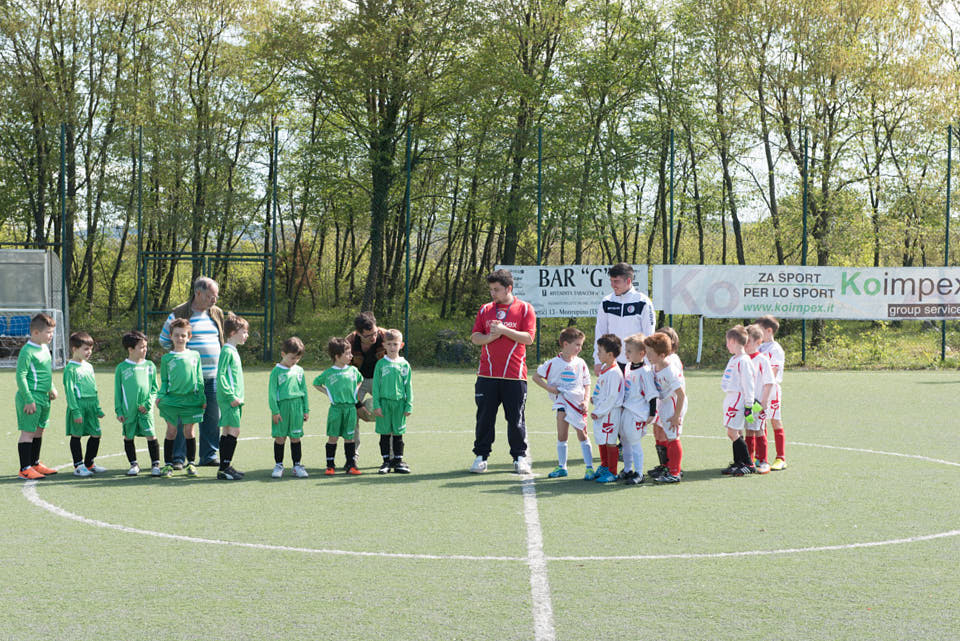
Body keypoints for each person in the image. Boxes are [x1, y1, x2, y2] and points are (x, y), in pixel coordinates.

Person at [469, 269, 536, 475]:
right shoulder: (485, 309)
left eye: (496, 289)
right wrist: (491, 336)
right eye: (490, 289)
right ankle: (481, 457)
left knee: (515, 419)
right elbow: (475, 337)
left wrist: (504, 330)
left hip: (514, 376)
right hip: (486, 375)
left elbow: (528, 338)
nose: (493, 293)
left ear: (509, 288)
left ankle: (519, 457)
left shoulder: (525, 309)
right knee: (484, 418)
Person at [158, 276, 224, 467]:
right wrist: (181, 355)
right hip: (187, 380)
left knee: (212, 417)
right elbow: (164, 340)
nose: (214, 300)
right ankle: (178, 458)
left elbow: (221, 339)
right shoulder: (179, 312)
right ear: (198, 293)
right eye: (211, 296)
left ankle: (209, 455)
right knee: (181, 417)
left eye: (216, 296)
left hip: (213, 376)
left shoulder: (217, 313)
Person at [531, 327, 594, 480]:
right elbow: (536, 377)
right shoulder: (553, 363)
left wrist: (585, 401)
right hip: (562, 402)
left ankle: (589, 468)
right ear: (565, 344)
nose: (580, 348)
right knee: (562, 435)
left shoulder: (581, 363)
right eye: (577, 345)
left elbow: (587, 383)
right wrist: (549, 388)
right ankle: (562, 467)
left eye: (580, 345)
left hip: (577, 404)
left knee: (582, 434)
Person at [157, 318, 206, 478]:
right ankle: (168, 464)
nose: (180, 338)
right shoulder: (166, 358)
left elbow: (199, 378)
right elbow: (164, 381)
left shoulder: (195, 355)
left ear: (189, 337)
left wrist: (202, 397)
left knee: (189, 432)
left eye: (183, 335)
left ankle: (191, 463)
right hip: (172, 401)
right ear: (171, 336)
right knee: (171, 431)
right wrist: (160, 396)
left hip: (191, 401)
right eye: (177, 335)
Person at [15, 313, 59, 480]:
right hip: (31, 398)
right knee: (28, 433)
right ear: (35, 332)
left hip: (44, 397)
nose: (51, 335)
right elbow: (21, 376)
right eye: (48, 332)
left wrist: (51, 388)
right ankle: (25, 469)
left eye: (52, 332)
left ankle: (35, 463)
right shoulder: (27, 351)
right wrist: (28, 399)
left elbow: (45, 372)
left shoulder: (44, 348)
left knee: (39, 430)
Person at [592, 263, 655, 375]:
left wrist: (647, 363)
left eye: (616, 281)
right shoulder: (606, 301)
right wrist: (598, 361)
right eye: (611, 281)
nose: (613, 285)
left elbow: (649, 335)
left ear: (628, 281)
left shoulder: (643, 302)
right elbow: (600, 332)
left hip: (637, 363)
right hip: (613, 363)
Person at [313, 337, 362, 476]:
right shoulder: (329, 373)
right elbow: (316, 383)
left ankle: (351, 465)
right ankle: (330, 466)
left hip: (350, 409)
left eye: (351, 353)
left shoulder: (353, 370)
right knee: (333, 437)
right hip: (336, 410)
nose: (351, 356)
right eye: (347, 353)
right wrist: (327, 393)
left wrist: (356, 390)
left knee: (349, 438)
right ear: (337, 356)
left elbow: (360, 380)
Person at [115, 330, 161, 476]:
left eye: (146, 346)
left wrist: (148, 404)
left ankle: (156, 465)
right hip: (129, 410)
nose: (145, 349)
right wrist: (119, 410)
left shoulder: (150, 365)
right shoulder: (121, 368)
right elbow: (118, 392)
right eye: (141, 347)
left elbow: (154, 388)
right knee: (128, 436)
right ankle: (133, 464)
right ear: (130, 349)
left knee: (151, 435)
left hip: (145, 410)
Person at [644, 332, 686, 483]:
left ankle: (675, 473)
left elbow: (681, 395)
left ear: (662, 355)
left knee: (673, 437)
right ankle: (666, 466)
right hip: (664, 403)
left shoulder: (669, 370)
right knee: (664, 433)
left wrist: (676, 416)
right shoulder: (655, 366)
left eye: (650, 353)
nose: (647, 355)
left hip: (673, 404)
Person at [63, 332, 106, 477]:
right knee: (77, 435)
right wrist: (75, 411)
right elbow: (69, 392)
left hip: (91, 406)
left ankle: (89, 463)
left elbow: (93, 388)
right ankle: (78, 466)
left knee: (96, 434)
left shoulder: (89, 367)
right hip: (78, 406)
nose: (89, 352)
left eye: (90, 349)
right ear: (74, 349)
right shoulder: (70, 369)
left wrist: (97, 407)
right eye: (86, 349)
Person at [618, 333, 658, 485]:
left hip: (638, 413)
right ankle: (628, 469)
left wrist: (652, 413)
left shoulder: (645, 372)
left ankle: (639, 473)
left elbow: (652, 394)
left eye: (629, 351)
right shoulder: (628, 367)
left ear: (641, 354)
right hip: (626, 410)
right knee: (624, 440)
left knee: (634, 442)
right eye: (626, 350)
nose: (626, 354)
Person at [372, 329, 413, 474]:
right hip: (384, 404)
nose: (392, 347)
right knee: (384, 434)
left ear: (401, 345)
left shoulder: (404, 364)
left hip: (399, 404)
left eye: (395, 344)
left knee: (398, 433)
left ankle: (398, 461)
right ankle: (386, 462)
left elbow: (408, 386)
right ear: (384, 345)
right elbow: (376, 386)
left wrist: (409, 404)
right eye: (389, 344)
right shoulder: (380, 364)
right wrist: (376, 405)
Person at [346, 311, 388, 449]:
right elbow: (345, 376)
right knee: (351, 412)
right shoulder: (349, 343)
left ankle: (392, 455)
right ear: (358, 333)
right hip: (358, 381)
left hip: (380, 380)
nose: (373, 337)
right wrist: (358, 405)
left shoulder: (387, 337)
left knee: (390, 410)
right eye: (368, 336)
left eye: (374, 333)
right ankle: (353, 455)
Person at [270, 337, 310, 479]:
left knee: (295, 437)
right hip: (282, 408)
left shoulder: (299, 371)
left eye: (298, 358)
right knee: (280, 437)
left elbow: (304, 391)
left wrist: (306, 409)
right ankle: (278, 465)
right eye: (292, 358)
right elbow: (272, 393)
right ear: (283, 354)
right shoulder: (276, 371)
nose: (295, 361)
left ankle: (297, 466)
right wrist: (275, 411)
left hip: (297, 407)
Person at [720, 325, 756, 477]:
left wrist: (749, 404)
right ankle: (738, 462)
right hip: (731, 397)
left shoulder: (744, 361)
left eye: (727, 342)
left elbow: (748, 384)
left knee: (732, 431)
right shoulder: (734, 359)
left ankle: (748, 464)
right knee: (735, 431)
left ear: (733, 341)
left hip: (738, 399)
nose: (727, 345)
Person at [216, 314, 248, 481]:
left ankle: (224, 467)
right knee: (234, 430)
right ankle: (225, 467)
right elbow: (221, 375)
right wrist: (230, 396)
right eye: (244, 332)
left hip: (233, 399)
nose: (246, 335)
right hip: (230, 400)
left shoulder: (232, 350)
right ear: (233, 333)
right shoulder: (227, 351)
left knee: (227, 430)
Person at [590, 334, 624, 483]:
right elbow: (601, 388)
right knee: (601, 438)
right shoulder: (605, 368)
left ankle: (612, 471)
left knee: (610, 440)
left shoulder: (614, 373)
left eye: (600, 351)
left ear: (610, 355)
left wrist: (599, 412)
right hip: (602, 411)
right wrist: (595, 397)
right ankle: (604, 466)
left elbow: (611, 397)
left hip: (610, 412)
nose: (597, 354)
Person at [756, 315, 788, 470]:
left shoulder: (776, 349)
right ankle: (761, 457)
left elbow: (773, 372)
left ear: (769, 331)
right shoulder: (759, 347)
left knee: (775, 420)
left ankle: (781, 458)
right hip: (759, 389)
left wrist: (766, 388)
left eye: (759, 330)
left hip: (772, 390)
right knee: (759, 421)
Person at [745, 324, 775, 474]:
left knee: (759, 430)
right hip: (747, 403)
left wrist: (764, 402)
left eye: (748, 341)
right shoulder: (742, 359)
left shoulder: (762, 360)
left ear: (758, 342)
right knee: (749, 430)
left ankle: (763, 461)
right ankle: (749, 461)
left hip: (759, 403)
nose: (745, 344)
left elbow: (769, 383)